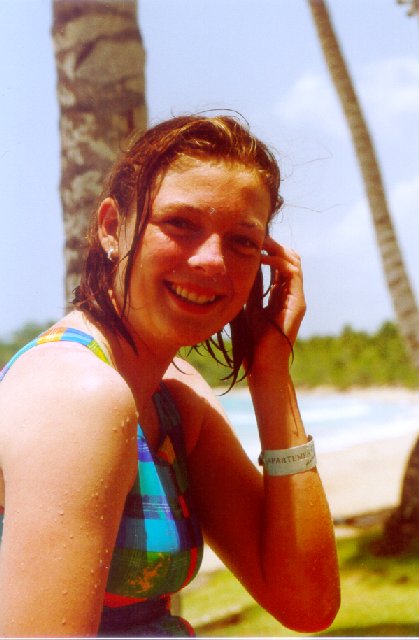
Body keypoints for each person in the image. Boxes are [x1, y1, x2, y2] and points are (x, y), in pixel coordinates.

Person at [0, 115, 340, 637]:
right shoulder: (76, 393)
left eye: (242, 241)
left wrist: (271, 373)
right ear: (112, 228)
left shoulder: (175, 398)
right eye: (180, 223)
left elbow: (307, 602)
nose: (212, 261)